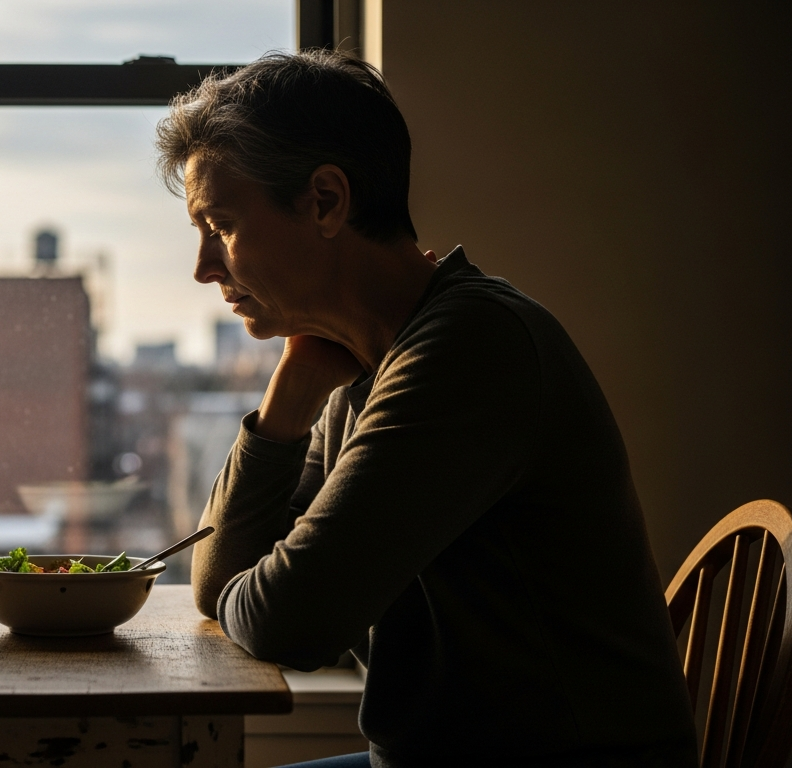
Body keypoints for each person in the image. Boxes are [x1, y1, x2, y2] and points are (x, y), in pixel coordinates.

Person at [155, 51, 697, 767]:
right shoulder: (364, 360)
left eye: (220, 225)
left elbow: (292, 622)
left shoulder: (470, 348)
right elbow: (218, 577)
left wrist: (257, 584)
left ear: (325, 201)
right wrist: (289, 396)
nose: (203, 266)